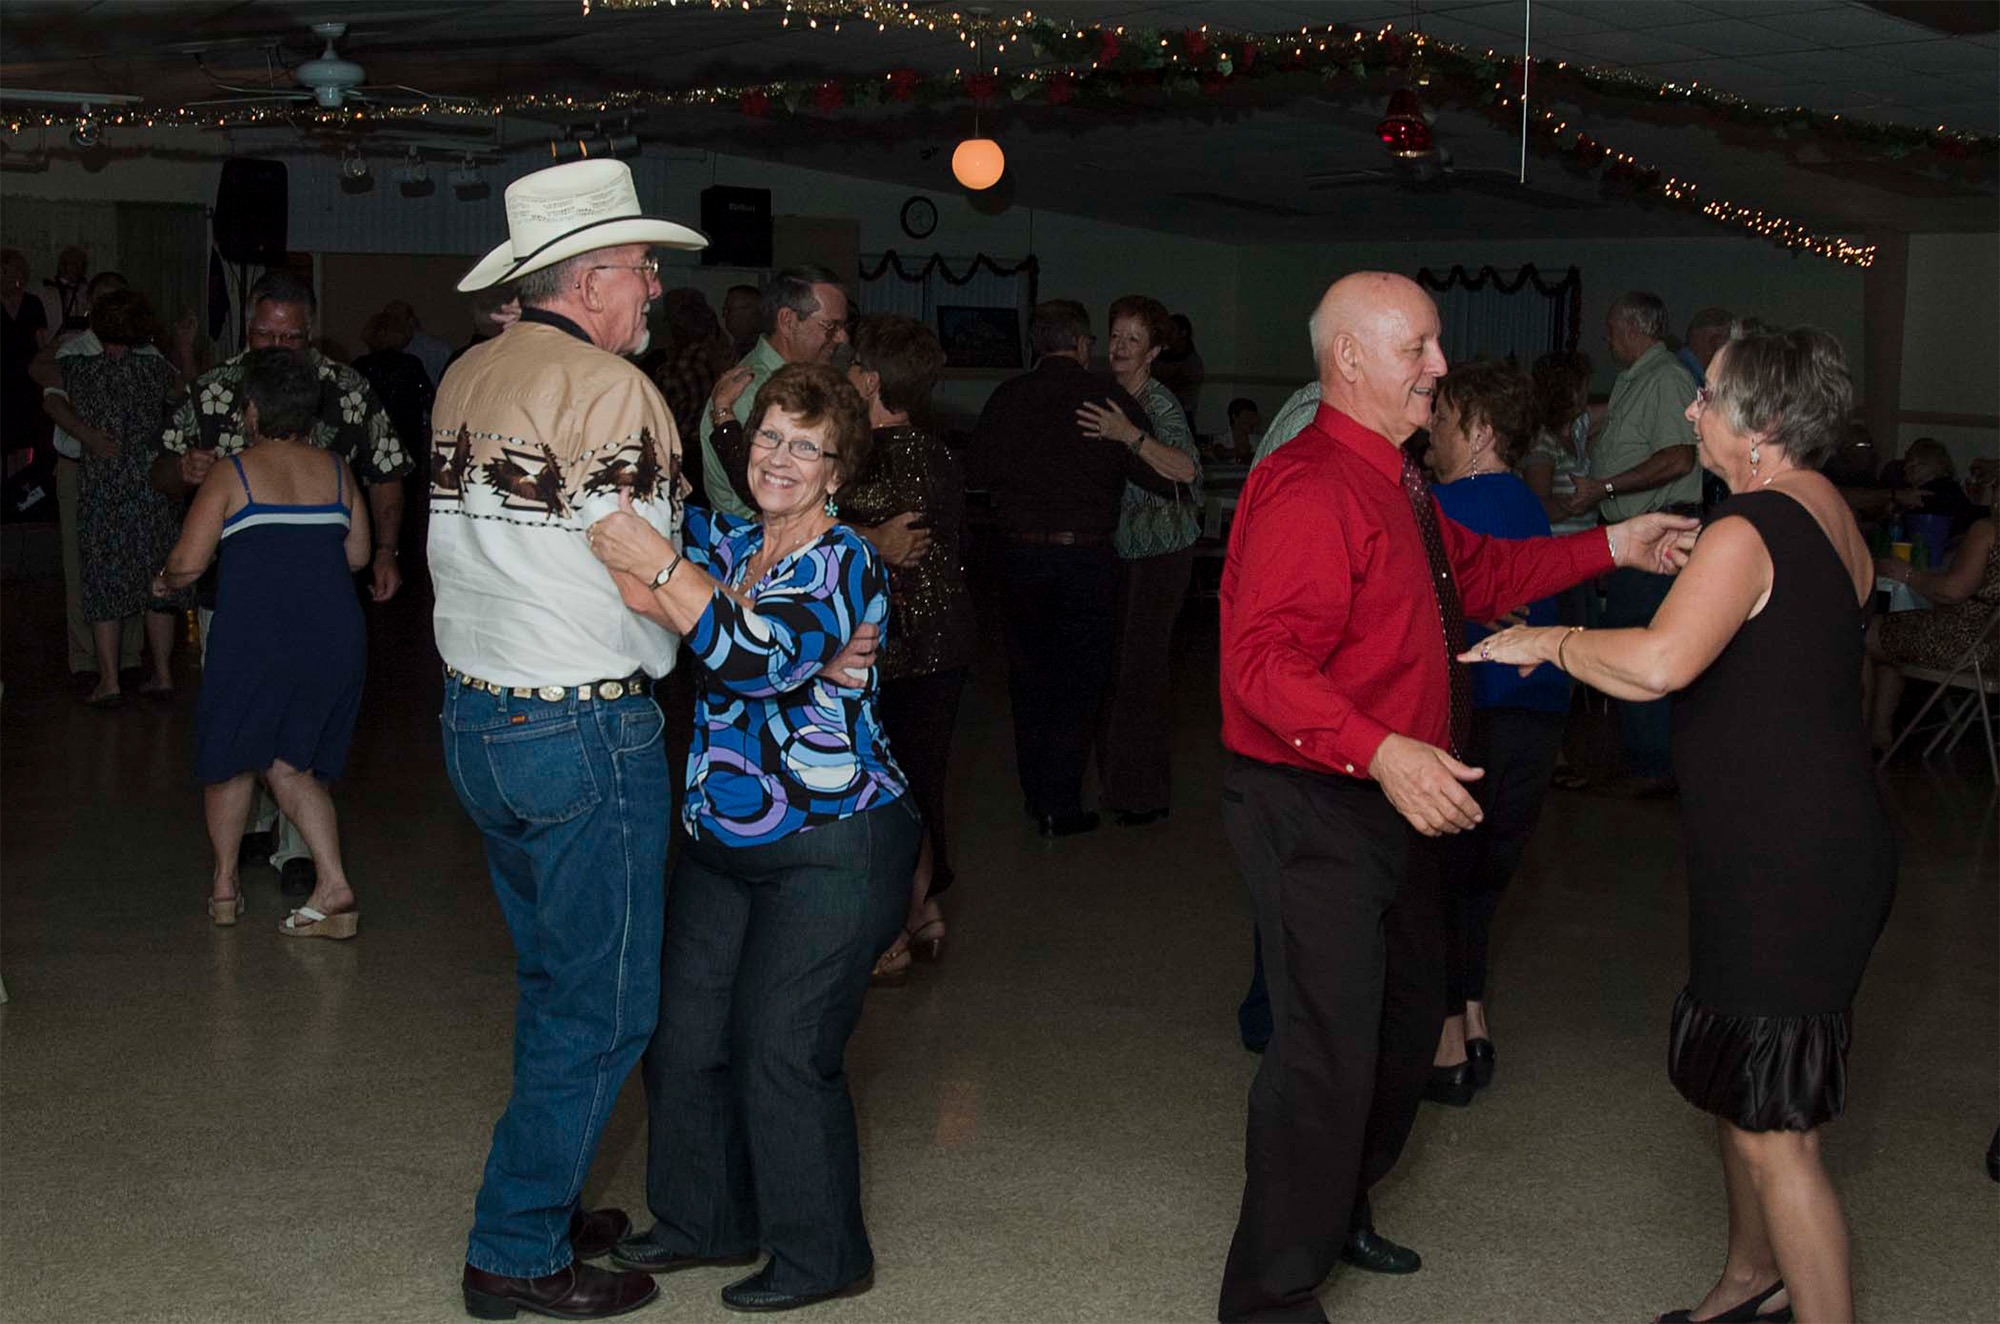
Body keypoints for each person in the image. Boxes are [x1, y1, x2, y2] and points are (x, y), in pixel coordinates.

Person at [1216, 271, 1696, 1324]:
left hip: (1397, 798)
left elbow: (1474, 571)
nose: (1437, 368)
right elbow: (1260, 664)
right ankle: (1266, 1295)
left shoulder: (1397, 479)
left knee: (1398, 1033)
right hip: (1314, 800)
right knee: (1323, 1053)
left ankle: (1336, 1206)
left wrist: (1613, 542)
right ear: (1349, 359)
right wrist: (1381, 747)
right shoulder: (1306, 484)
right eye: (1417, 349)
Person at [1473, 323, 1896, 1324]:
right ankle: (1749, 1278)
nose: (1691, 410)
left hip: (1792, 861)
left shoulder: (1750, 529)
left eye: (1707, 396)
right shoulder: (1815, 510)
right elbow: (1775, 634)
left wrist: (1548, 637)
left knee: (1773, 1128)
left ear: (1762, 423)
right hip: (1793, 847)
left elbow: (1660, 667)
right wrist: (1697, 569)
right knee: (1739, 1084)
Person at [431, 157, 708, 1322]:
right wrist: (752, 629)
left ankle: (540, 1200)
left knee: (553, 978)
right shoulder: (611, 392)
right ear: (592, 280)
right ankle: (514, 1249)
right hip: (579, 729)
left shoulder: (466, 371)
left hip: (476, 720)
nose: (653, 290)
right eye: (643, 270)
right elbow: (642, 572)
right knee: (602, 1006)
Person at [587, 363, 912, 1314]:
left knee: (781, 1047)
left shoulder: (845, 559)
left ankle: (821, 1257)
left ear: (836, 470)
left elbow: (753, 657)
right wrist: (671, 579)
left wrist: (667, 580)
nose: (780, 458)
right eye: (770, 437)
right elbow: (637, 560)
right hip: (724, 840)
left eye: (805, 447)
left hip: (835, 841)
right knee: (684, 1036)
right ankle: (702, 1222)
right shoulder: (726, 543)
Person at [153, 268, 413, 900]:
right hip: (242, 597)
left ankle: (291, 860)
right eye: (265, 335)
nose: (275, 347)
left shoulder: (348, 391)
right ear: (249, 328)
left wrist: (387, 549)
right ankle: (266, 836)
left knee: (275, 735)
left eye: (289, 337)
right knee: (270, 737)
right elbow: (159, 470)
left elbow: (386, 471)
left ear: (310, 331)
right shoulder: (215, 388)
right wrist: (181, 471)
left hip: (285, 604)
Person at [153, 348, 370, 933]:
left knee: (230, 757)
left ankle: (225, 888)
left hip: (256, 636)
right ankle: (333, 885)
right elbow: (358, 555)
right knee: (294, 763)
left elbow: (190, 563)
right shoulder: (337, 470)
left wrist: (164, 577)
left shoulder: (234, 471)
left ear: (250, 411)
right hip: (332, 638)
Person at [969, 299, 1195, 837]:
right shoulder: (1108, 400)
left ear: (1036, 344)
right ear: (1083, 344)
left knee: (1028, 678)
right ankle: (1062, 803)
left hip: (1020, 556)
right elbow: (1171, 480)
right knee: (1079, 680)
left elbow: (977, 472)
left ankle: (1039, 797)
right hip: (1087, 558)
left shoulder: (1007, 397)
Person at [1419, 360, 1569, 1106]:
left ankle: (1446, 1040)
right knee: (1483, 883)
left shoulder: (1447, 506)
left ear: (1479, 432)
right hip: (1537, 718)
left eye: (1442, 418)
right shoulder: (1529, 506)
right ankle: (1475, 1017)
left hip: (1472, 714)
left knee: (1442, 879)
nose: (1429, 432)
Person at [834, 313, 972, 983]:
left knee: (893, 791)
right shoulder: (938, 450)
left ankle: (896, 923)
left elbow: (857, 537)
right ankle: (923, 911)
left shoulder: (889, 456)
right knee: (915, 781)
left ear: (871, 379)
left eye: (855, 366)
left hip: (903, 648)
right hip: (938, 642)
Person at [1567, 291, 1701, 796]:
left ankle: (1653, 767)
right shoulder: (1638, 379)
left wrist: (1604, 488)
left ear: (1633, 328)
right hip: (1638, 535)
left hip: (1656, 537)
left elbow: (1678, 460)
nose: (1606, 338)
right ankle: (1647, 761)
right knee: (1628, 642)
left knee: (1637, 648)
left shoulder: (1664, 379)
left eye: (1610, 328)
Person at [1079, 293, 1204, 826]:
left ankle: (1141, 796)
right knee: (1115, 670)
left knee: (1141, 673)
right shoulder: (1106, 394)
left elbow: (1185, 470)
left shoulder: (1157, 404)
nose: (1120, 348)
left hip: (1162, 554)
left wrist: (1129, 436)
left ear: (1153, 352)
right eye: (1115, 337)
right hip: (1120, 552)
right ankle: (1117, 786)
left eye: (1134, 340)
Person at [33, 270, 190, 678]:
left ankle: (109, 681)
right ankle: (161, 675)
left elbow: (42, 378)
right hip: (146, 483)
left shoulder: (80, 367)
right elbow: (185, 392)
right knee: (155, 579)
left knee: (103, 580)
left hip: (103, 483)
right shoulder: (152, 369)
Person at [698, 266, 849, 518]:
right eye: (830, 326)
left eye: (842, 326)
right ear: (788, 321)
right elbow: (772, 503)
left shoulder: (801, 382)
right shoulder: (749, 391)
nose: (842, 337)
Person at [1868, 514, 1999, 753]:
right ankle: (1879, 732)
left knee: (1865, 633)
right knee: (1893, 631)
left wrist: (1908, 575)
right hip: (1993, 650)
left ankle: (1856, 735)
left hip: (1963, 645)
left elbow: (1952, 591)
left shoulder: (1989, 531)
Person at [651, 287, 735, 504]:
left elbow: (658, 421)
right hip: (715, 454)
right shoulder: (725, 352)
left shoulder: (678, 367)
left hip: (687, 459)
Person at [1152, 310, 1205, 427]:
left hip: (1180, 418)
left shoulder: (1192, 362)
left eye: (1172, 330)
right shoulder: (1158, 357)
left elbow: (1171, 388)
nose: (1168, 334)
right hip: (1157, 416)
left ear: (1183, 333)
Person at [722, 282, 763, 359]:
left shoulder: (765, 347)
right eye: (724, 310)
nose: (724, 315)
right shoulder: (734, 347)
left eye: (729, 310)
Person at [1224, 397, 1262, 463]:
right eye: (1248, 417)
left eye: (1254, 417)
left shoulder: (1258, 440)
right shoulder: (1222, 437)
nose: (1253, 421)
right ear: (1235, 417)